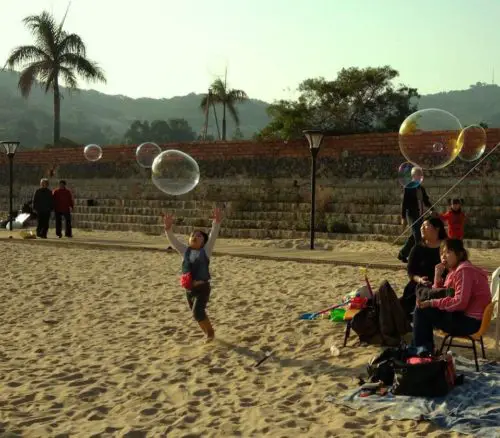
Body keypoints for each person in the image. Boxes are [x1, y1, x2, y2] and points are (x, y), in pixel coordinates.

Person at [413, 239, 491, 352]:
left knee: (421, 310)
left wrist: (431, 303)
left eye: (448, 252)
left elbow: (460, 302)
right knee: (424, 309)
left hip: (469, 323)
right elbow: (440, 295)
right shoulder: (455, 271)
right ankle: (424, 350)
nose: (444, 256)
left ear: (460, 254)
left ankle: (421, 351)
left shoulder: (464, 271)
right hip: (464, 317)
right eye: (441, 253)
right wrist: (437, 277)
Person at [163, 207, 223, 342]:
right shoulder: (185, 251)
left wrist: (216, 223)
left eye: (199, 236)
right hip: (189, 290)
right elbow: (174, 241)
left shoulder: (206, 251)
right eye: (193, 235)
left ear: (203, 242)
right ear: (189, 240)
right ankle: (208, 332)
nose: (195, 237)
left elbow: (213, 236)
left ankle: (210, 333)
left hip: (202, 288)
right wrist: (168, 229)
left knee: (198, 312)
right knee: (196, 314)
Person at [400, 217, 447, 321]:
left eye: (425, 225)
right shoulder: (417, 248)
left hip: (441, 288)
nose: (422, 228)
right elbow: (411, 272)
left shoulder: (447, 247)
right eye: (421, 226)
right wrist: (419, 279)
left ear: (437, 228)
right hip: (418, 287)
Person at [398, 167, 434, 263]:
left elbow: (426, 200)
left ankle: (402, 253)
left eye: (420, 175)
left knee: (414, 236)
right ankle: (418, 258)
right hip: (412, 215)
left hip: (420, 214)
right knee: (418, 236)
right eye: (418, 174)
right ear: (413, 176)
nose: (420, 176)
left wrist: (432, 210)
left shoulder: (421, 188)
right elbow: (404, 203)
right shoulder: (408, 187)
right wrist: (403, 217)